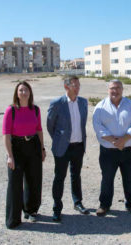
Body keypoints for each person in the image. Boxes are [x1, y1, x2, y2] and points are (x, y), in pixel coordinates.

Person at [93, 79, 131, 217]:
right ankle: (104, 205)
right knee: (107, 179)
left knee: (130, 178)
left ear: (122, 89)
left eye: (118, 88)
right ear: (108, 90)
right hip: (108, 152)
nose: (115, 91)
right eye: (112, 88)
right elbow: (97, 126)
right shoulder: (100, 106)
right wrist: (114, 141)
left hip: (128, 150)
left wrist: (124, 139)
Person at [2, 81, 46, 229]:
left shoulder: (36, 110)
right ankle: (13, 219)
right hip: (16, 147)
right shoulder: (11, 110)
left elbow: (39, 129)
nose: (23, 93)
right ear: (17, 93)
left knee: (34, 180)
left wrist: (42, 148)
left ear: (30, 92)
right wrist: (9, 155)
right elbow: (6, 134)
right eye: (20, 90)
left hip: (33, 145)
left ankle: (31, 210)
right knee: (14, 183)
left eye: (26, 90)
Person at [47, 75, 89, 223]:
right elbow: (50, 125)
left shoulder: (83, 102)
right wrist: (59, 140)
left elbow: (82, 124)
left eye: (78, 85)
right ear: (66, 87)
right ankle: (57, 208)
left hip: (78, 146)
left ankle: (77, 202)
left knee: (76, 175)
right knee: (59, 177)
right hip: (62, 148)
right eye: (74, 86)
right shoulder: (57, 103)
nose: (77, 88)